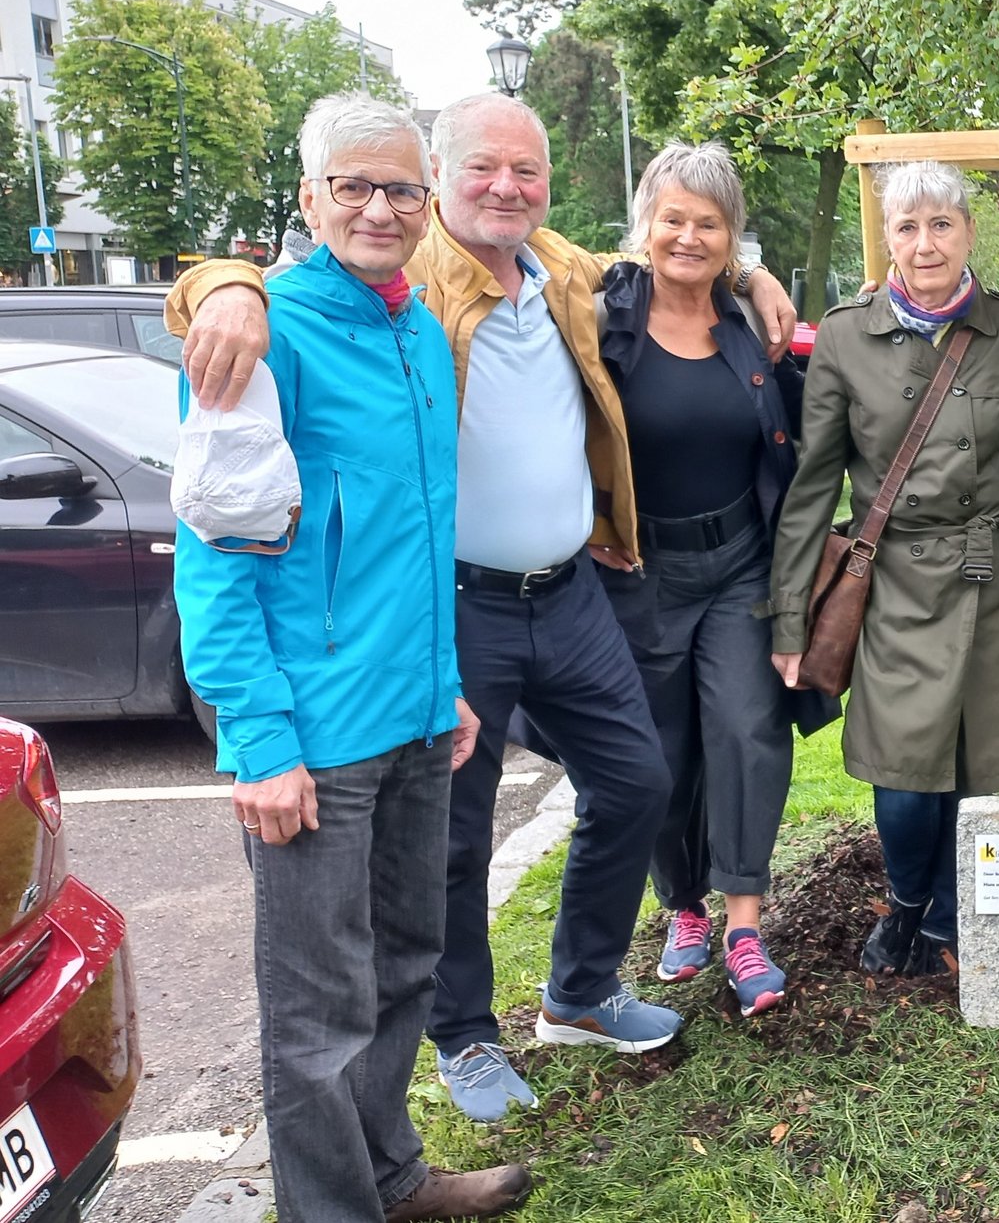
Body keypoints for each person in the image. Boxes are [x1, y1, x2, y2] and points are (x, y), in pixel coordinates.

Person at [166, 93, 800, 1123]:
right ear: (438, 185)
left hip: (574, 588)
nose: (505, 188)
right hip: (457, 605)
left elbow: (677, 256)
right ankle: (463, 1037)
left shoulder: (563, 272)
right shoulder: (411, 273)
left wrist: (754, 274)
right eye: (479, 171)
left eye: (526, 171)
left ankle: (582, 992)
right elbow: (288, 279)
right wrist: (222, 284)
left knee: (636, 781)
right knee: (454, 839)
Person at [175, 93, 531, 1221]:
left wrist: (446, 690)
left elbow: (405, 534)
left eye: (401, 188)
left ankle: (393, 1177)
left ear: (428, 202)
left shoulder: (418, 326)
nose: (380, 207)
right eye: (353, 187)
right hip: (314, 740)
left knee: (404, 969)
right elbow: (219, 558)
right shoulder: (259, 331)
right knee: (318, 1011)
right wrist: (261, 739)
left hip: (417, 717)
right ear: (309, 199)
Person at [769, 160, 999, 975]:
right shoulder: (844, 335)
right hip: (895, 579)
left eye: (941, 224)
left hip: (993, 576)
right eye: (907, 227)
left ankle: (947, 917)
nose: (924, 243)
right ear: (889, 239)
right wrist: (790, 617)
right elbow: (813, 486)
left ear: (968, 230)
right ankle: (904, 905)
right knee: (903, 771)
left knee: (980, 761)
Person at [596, 142, 837, 1017]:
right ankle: (683, 908)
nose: (689, 238)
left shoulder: (752, 326)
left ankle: (743, 922)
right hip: (641, 569)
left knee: (747, 727)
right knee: (657, 751)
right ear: (645, 226)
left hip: (739, 561)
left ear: (733, 237)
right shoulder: (602, 313)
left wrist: (760, 279)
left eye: (709, 224)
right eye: (674, 220)